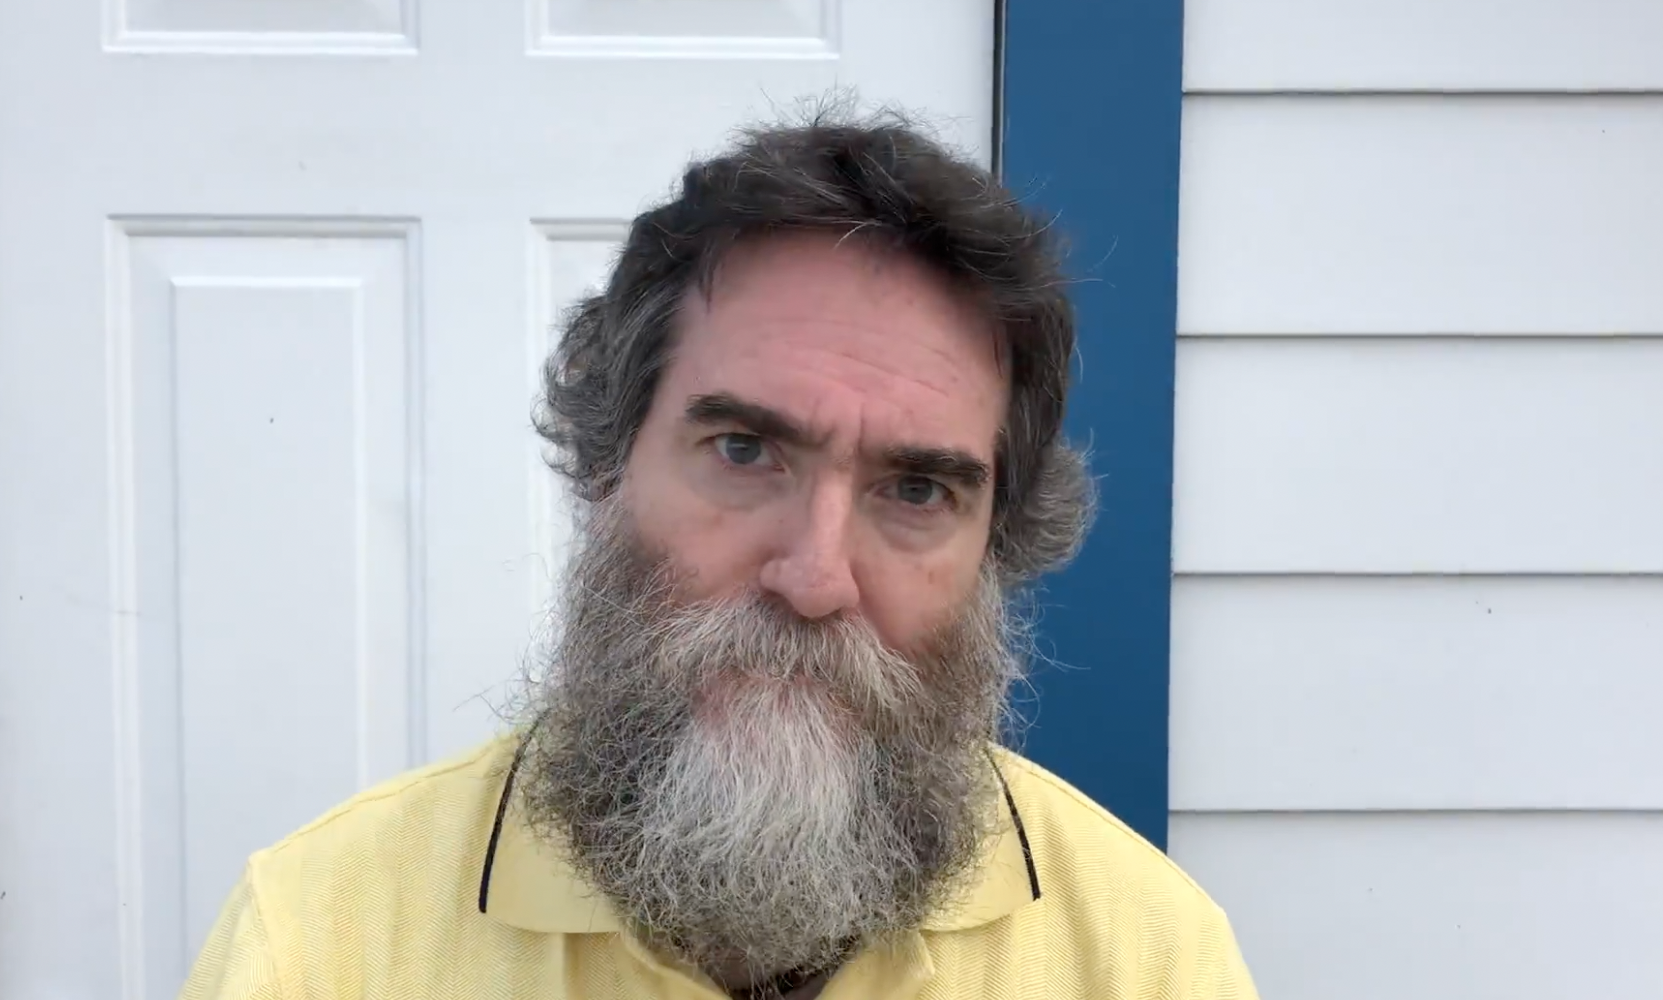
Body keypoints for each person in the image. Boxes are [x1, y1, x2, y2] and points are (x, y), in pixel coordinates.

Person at [178, 110, 1259, 1000]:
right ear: (607, 458)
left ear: (996, 545)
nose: (814, 579)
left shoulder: (1146, 960)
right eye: (744, 450)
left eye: (916, 489)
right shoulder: (321, 943)